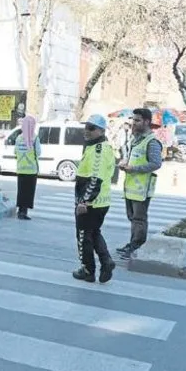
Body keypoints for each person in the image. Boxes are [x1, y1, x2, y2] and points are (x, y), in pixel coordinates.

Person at [72, 114, 117, 283]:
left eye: (91, 128)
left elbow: (95, 179)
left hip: (92, 203)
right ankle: (106, 261)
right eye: (86, 127)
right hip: (99, 201)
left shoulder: (99, 149)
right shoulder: (95, 147)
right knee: (94, 233)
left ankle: (88, 270)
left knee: (84, 237)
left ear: (101, 131)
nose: (87, 131)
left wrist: (85, 202)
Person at [116, 108, 163, 259]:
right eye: (133, 120)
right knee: (133, 219)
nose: (133, 123)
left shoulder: (152, 141)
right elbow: (130, 157)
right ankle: (132, 243)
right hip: (131, 187)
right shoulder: (134, 139)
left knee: (139, 220)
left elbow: (156, 163)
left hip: (142, 189)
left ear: (146, 122)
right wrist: (125, 163)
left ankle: (137, 247)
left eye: (137, 120)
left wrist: (133, 168)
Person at [15, 114, 40, 219]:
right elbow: (38, 152)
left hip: (20, 169)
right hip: (31, 170)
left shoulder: (18, 138)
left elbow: (15, 152)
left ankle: (20, 210)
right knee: (28, 192)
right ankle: (24, 212)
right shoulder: (34, 138)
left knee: (21, 191)